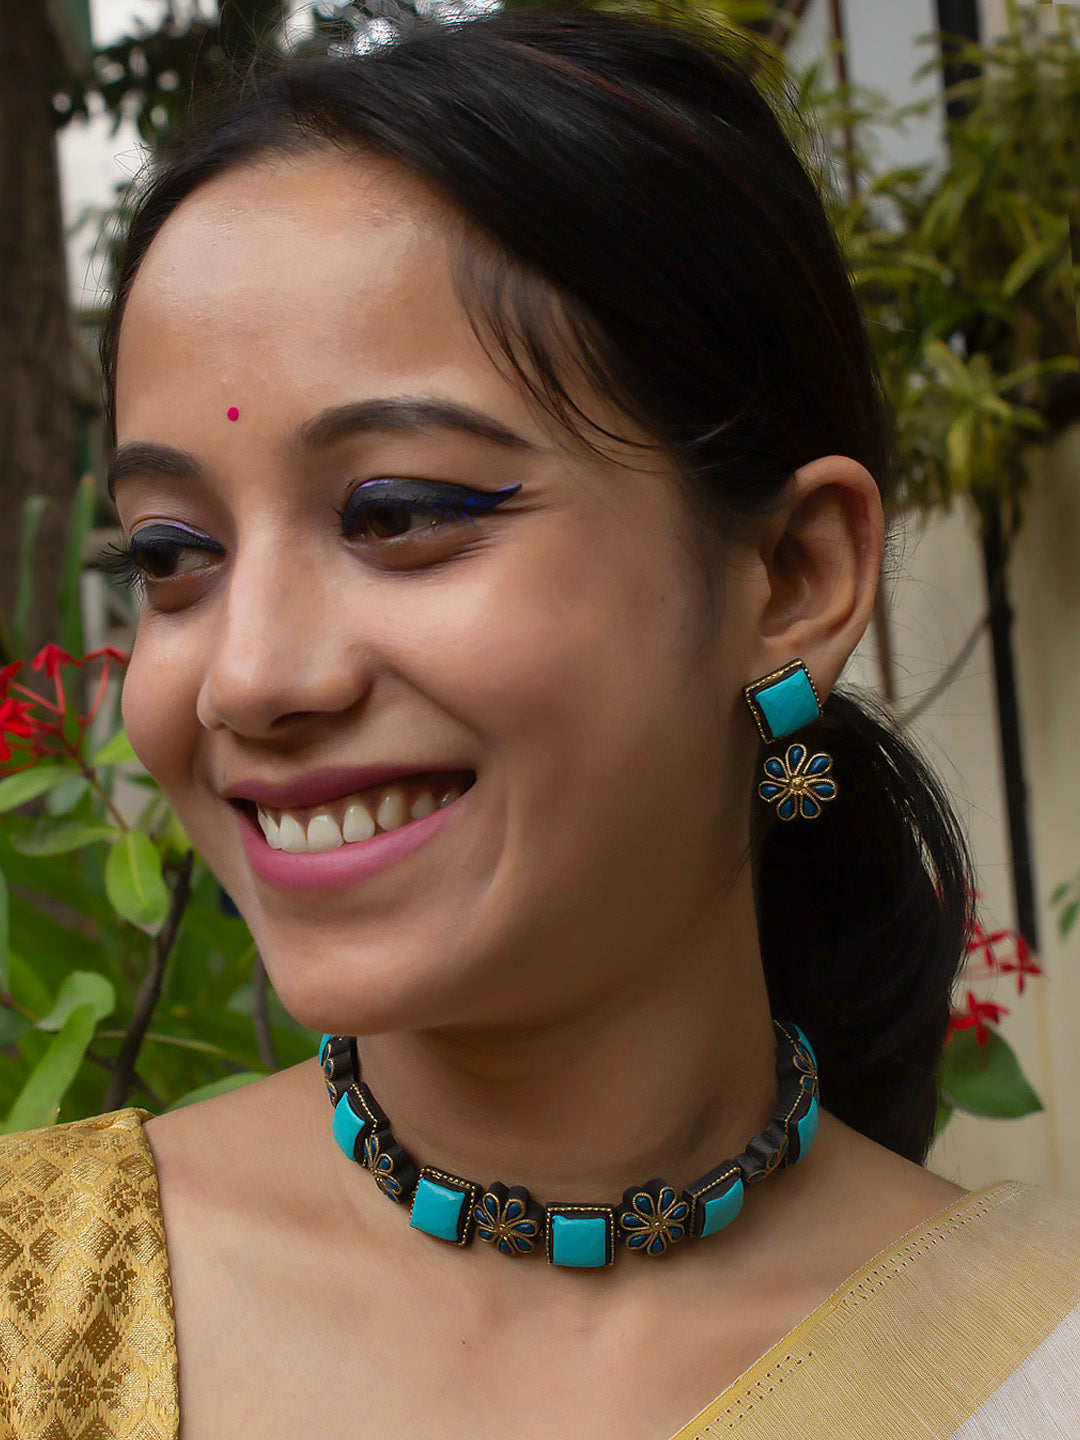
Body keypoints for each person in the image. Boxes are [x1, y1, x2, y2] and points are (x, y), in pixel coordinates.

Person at [1, 10, 1077, 1437]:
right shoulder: (38, 1302)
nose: (249, 676)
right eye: (170, 555)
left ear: (794, 578)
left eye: (398, 513)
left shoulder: (1035, 1363)